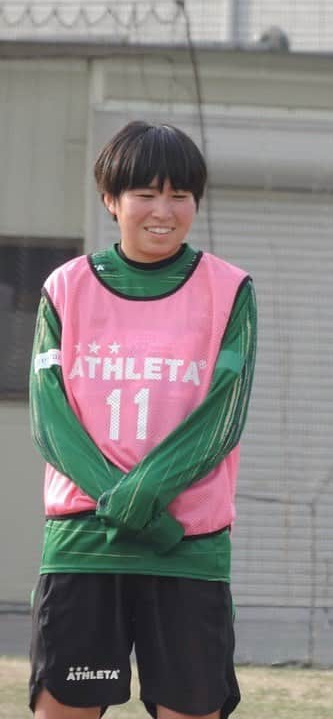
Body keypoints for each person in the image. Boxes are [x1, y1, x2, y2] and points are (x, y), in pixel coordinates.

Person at [28, 121, 257, 719]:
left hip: (186, 546)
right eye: (145, 195)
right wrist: (122, 503)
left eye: (180, 195)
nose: (164, 210)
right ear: (111, 200)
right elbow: (51, 417)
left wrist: (144, 498)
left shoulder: (229, 290)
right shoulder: (66, 287)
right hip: (86, 543)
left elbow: (223, 415)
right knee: (64, 711)